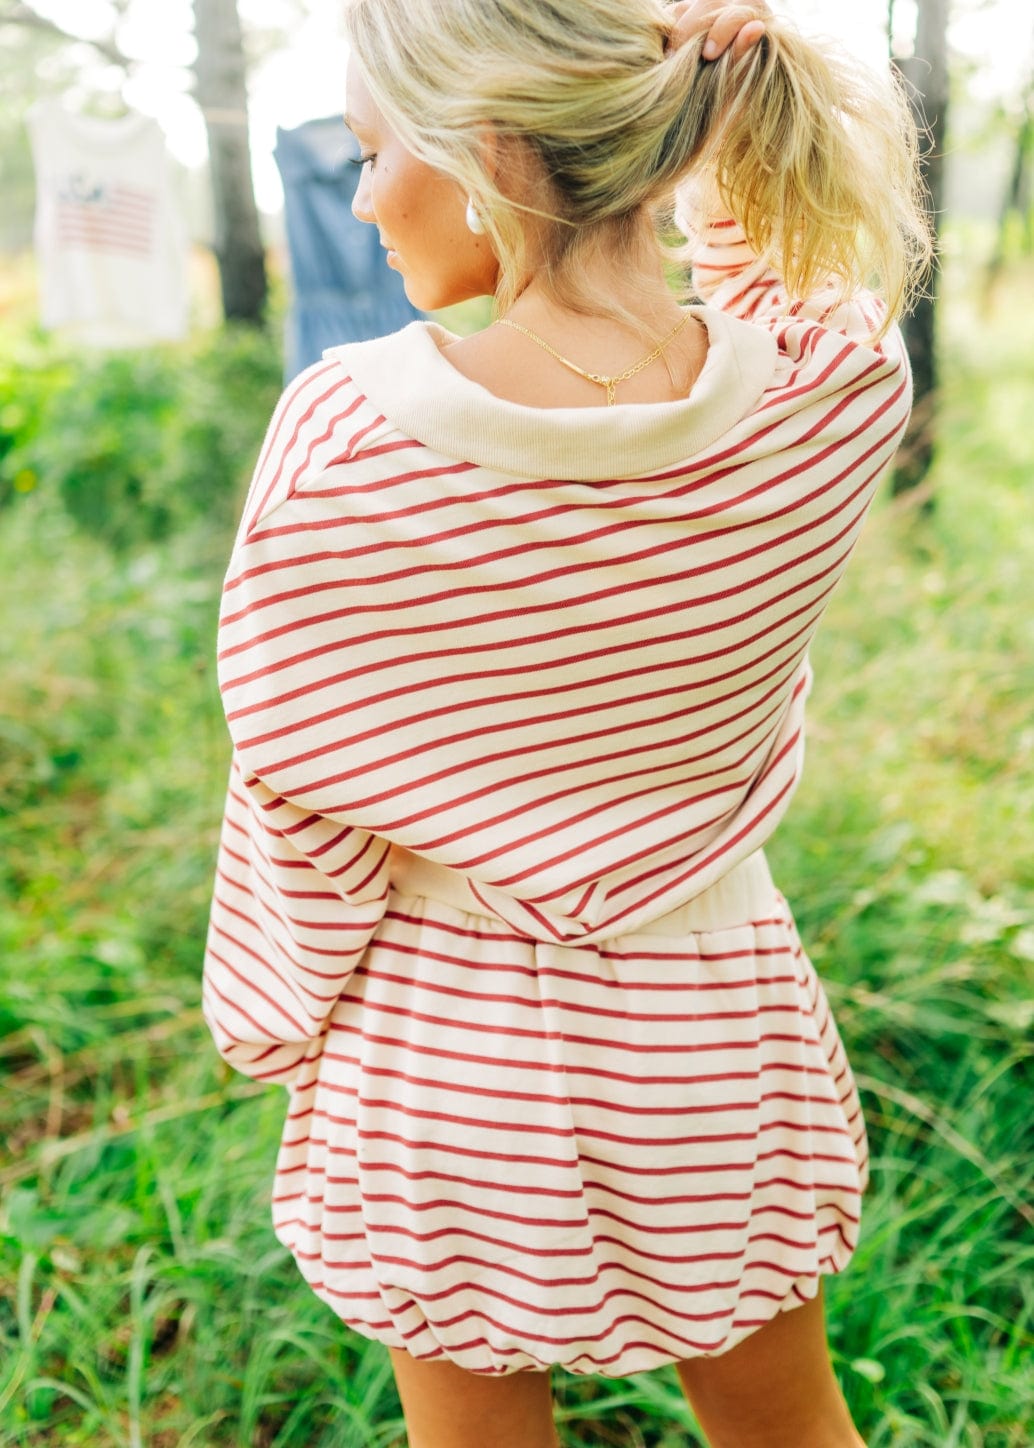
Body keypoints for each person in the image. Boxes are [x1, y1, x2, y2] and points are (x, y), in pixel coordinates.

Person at [202, 2, 931, 1444]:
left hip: (444, 1046)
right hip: (716, 1026)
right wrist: (712, 99)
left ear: (481, 149)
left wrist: (275, 1017)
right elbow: (802, 282)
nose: (359, 201)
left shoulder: (350, 437)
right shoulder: (829, 396)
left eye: (368, 153)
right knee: (786, 1423)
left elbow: (292, 794)